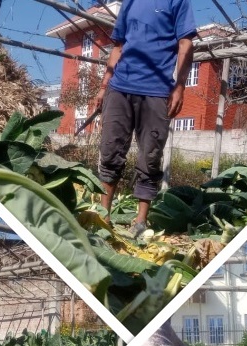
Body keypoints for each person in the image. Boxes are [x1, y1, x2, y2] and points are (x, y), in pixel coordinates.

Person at [93, 0, 197, 239]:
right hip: (119, 88)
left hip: (157, 91)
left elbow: (186, 43)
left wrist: (180, 86)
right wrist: (103, 87)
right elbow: (118, 47)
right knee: (110, 151)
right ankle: (103, 215)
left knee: (150, 156)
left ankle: (140, 220)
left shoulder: (177, 2)